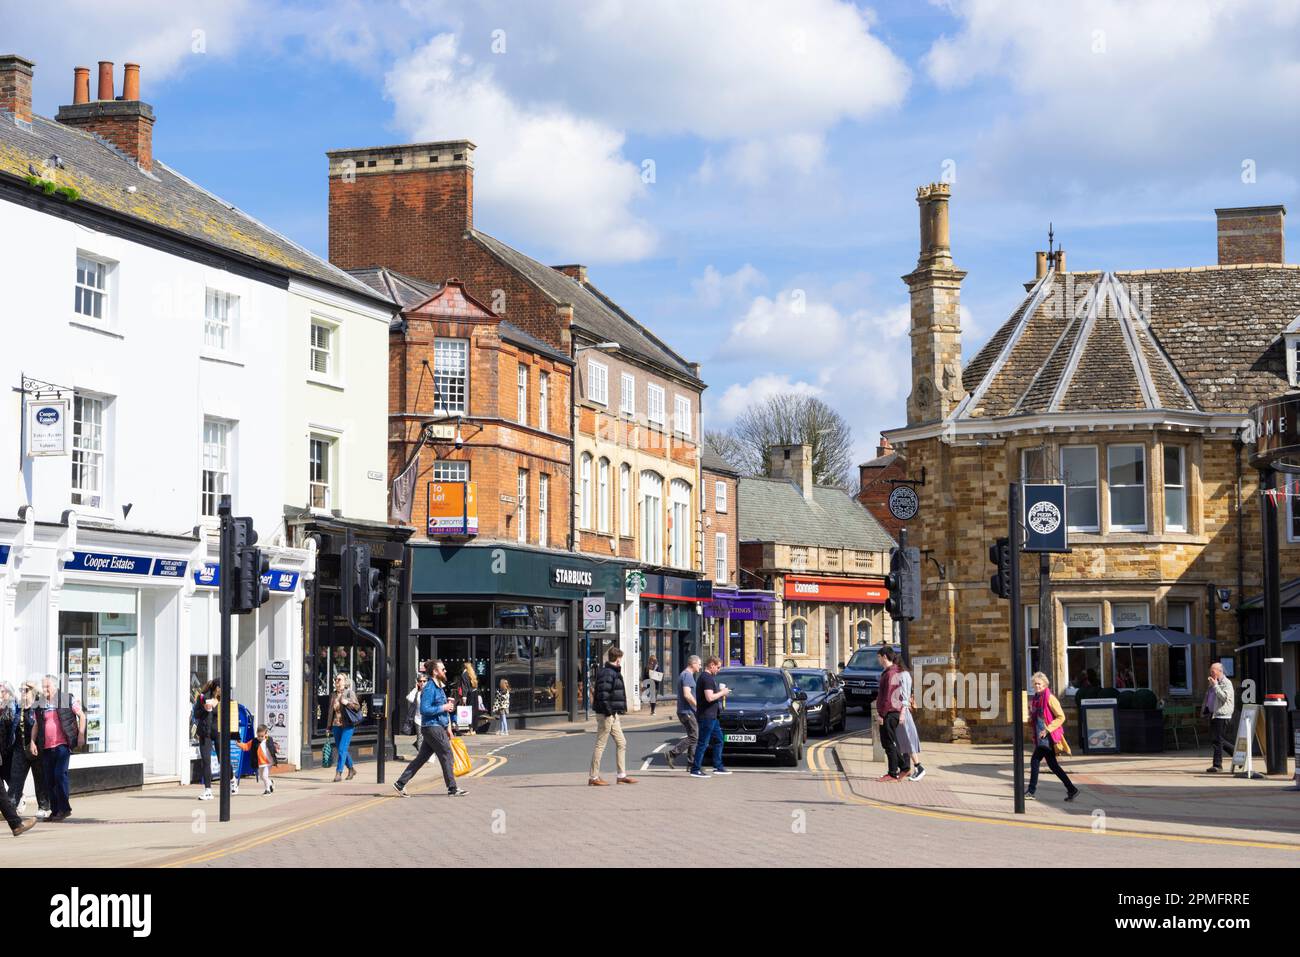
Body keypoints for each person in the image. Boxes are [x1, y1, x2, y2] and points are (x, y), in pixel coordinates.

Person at [393, 659, 467, 797]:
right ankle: (452, 788)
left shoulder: (439, 687)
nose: (445, 671)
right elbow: (425, 709)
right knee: (447, 754)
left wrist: (448, 727)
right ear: (435, 672)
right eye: (442, 669)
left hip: (436, 726)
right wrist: (443, 707)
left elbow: (443, 712)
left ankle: (400, 783)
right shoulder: (429, 688)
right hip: (432, 727)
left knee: (421, 759)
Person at [33, 674, 85, 822]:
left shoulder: (67, 699)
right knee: (49, 779)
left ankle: (64, 809)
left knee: (59, 775)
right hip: (47, 746)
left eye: (47, 686)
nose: (44, 689)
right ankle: (55, 811)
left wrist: (80, 735)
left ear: (55, 686)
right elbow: (36, 724)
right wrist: (32, 741)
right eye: (43, 686)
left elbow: (82, 715)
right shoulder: (40, 703)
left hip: (62, 744)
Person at [1025, 671, 1078, 801]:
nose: (1037, 686)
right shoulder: (1036, 699)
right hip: (1040, 736)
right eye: (1035, 684)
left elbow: (1061, 717)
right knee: (1053, 766)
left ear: (1045, 684)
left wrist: (1047, 729)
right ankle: (1072, 789)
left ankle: (1031, 791)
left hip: (1048, 736)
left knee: (1035, 761)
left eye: (1039, 684)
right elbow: (1036, 717)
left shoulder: (1050, 698)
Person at [589, 647, 637, 786]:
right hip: (606, 714)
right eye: (620, 659)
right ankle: (593, 777)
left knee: (622, 742)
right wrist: (609, 712)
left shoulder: (612, 672)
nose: (621, 661)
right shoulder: (608, 673)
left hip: (612, 714)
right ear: (617, 659)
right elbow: (603, 695)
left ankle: (621, 775)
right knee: (600, 745)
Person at [9, 681, 48, 818]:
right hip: (20, 748)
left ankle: (43, 807)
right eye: (21, 690)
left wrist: (34, 686)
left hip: (36, 748)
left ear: (32, 691)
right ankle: (11, 807)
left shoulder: (39, 706)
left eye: (26, 690)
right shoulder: (18, 707)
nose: (22, 692)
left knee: (40, 778)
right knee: (16, 779)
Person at [690, 656, 732, 778]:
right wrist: (722, 693)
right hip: (706, 716)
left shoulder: (708, 678)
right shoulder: (706, 678)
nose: (718, 670)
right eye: (718, 667)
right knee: (703, 743)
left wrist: (721, 693)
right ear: (711, 665)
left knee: (719, 739)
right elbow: (709, 697)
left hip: (713, 716)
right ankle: (695, 768)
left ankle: (718, 766)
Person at [874, 647, 911, 782]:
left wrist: (881, 714)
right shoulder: (895, 671)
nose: (877, 660)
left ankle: (896, 770)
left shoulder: (890, 674)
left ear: (884, 657)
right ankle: (899, 769)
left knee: (888, 743)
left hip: (889, 713)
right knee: (891, 743)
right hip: (894, 712)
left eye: (878, 657)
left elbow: (887, 696)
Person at [665, 655, 701, 769]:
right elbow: (687, 694)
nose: (700, 666)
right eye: (699, 664)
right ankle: (672, 753)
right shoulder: (687, 675)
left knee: (693, 736)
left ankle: (691, 764)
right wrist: (697, 705)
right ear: (693, 664)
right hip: (687, 711)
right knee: (694, 736)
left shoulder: (684, 675)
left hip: (685, 711)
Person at [328, 673, 361, 782]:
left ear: (345, 682)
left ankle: (338, 773)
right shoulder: (333, 695)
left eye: (339, 679)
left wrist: (347, 703)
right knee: (341, 749)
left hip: (347, 725)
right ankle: (351, 769)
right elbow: (330, 712)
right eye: (336, 679)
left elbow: (357, 707)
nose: (337, 681)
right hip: (336, 725)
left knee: (342, 749)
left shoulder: (349, 693)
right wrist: (328, 727)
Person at [1204, 662, 1235, 773]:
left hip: (1222, 715)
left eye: (1213, 671)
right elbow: (1210, 698)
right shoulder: (1213, 683)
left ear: (1220, 671)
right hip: (1214, 714)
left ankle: (1217, 765)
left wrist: (1215, 685)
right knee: (1217, 739)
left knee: (1218, 740)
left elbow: (1224, 697)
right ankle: (1236, 754)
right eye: (1211, 671)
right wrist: (1206, 709)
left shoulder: (1226, 683)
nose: (1211, 673)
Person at [192, 680, 221, 801]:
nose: (222, 690)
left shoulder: (224, 699)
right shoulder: (203, 697)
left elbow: (230, 715)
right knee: (206, 760)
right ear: (216, 688)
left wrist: (218, 706)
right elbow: (196, 714)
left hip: (219, 732)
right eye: (221, 687)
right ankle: (208, 790)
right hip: (205, 733)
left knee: (222, 759)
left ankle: (231, 779)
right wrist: (204, 708)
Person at [897, 664, 924, 782]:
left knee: (906, 740)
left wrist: (902, 712)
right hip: (904, 711)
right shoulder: (906, 674)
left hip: (903, 712)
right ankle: (906, 768)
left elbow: (904, 696)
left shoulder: (902, 675)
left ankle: (918, 767)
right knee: (903, 741)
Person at [237, 724, 278, 795]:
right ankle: (271, 783)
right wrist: (239, 744)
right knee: (262, 777)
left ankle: (267, 790)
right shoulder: (254, 741)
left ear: (266, 734)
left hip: (268, 762)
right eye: (258, 736)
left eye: (262, 736)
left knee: (265, 776)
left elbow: (274, 747)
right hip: (259, 763)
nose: (260, 738)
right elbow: (246, 746)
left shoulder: (268, 740)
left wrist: (276, 749)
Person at [401, 671, 428, 757]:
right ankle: (421, 756)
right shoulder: (417, 692)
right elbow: (409, 698)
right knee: (420, 738)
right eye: (420, 681)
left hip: (428, 719)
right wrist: (416, 688)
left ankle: (421, 749)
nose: (422, 683)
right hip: (418, 719)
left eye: (424, 681)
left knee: (428, 737)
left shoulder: (429, 692)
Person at [455, 661, 483, 735]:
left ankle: (469, 730)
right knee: (474, 711)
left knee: (469, 711)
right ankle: (474, 729)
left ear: (464, 667)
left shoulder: (464, 674)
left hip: (469, 694)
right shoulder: (472, 674)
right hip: (475, 693)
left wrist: (464, 697)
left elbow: (464, 687)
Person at [0, 682, 17, 796]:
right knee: (4, 774)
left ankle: (18, 798)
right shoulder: (4, 705)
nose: (1, 694)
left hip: (8, 747)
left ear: (9, 692)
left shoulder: (11, 705)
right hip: (3, 747)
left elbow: (11, 727)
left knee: (7, 774)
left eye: (2, 692)